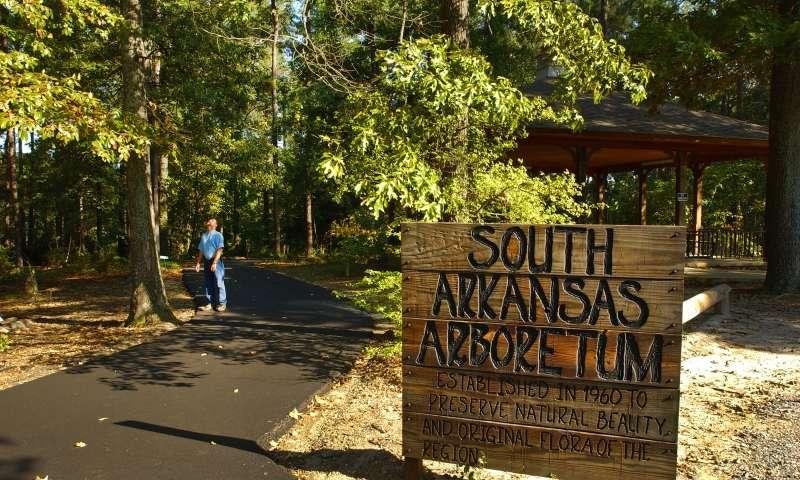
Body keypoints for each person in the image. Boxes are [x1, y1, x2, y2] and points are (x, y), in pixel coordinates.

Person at [195, 218, 227, 311]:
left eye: (212, 221)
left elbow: (220, 249)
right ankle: (210, 303)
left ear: (216, 225)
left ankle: (222, 303)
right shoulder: (204, 235)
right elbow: (201, 250)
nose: (209, 222)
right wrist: (198, 263)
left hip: (216, 261)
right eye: (209, 221)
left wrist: (215, 263)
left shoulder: (218, 235)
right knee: (208, 282)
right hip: (206, 261)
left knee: (219, 282)